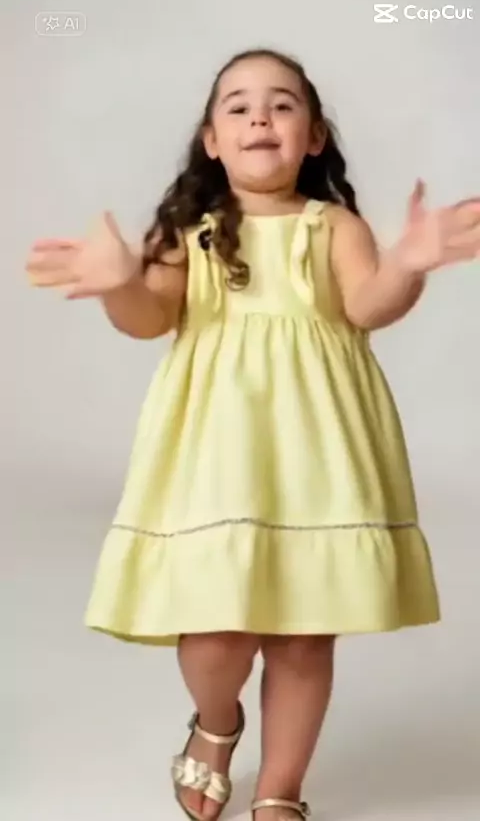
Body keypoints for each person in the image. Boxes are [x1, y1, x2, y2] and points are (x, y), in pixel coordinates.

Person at [26, 47, 480, 821]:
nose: (260, 116)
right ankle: (217, 721)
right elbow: (150, 318)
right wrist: (121, 284)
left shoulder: (332, 225)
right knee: (214, 632)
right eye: (238, 106)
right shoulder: (191, 231)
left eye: (281, 104)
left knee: (303, 634)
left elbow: (367, 305)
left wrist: (408, 264)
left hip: (319, 447)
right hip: (216, 449)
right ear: (212, 140)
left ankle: (281, 786)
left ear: (313, 136)